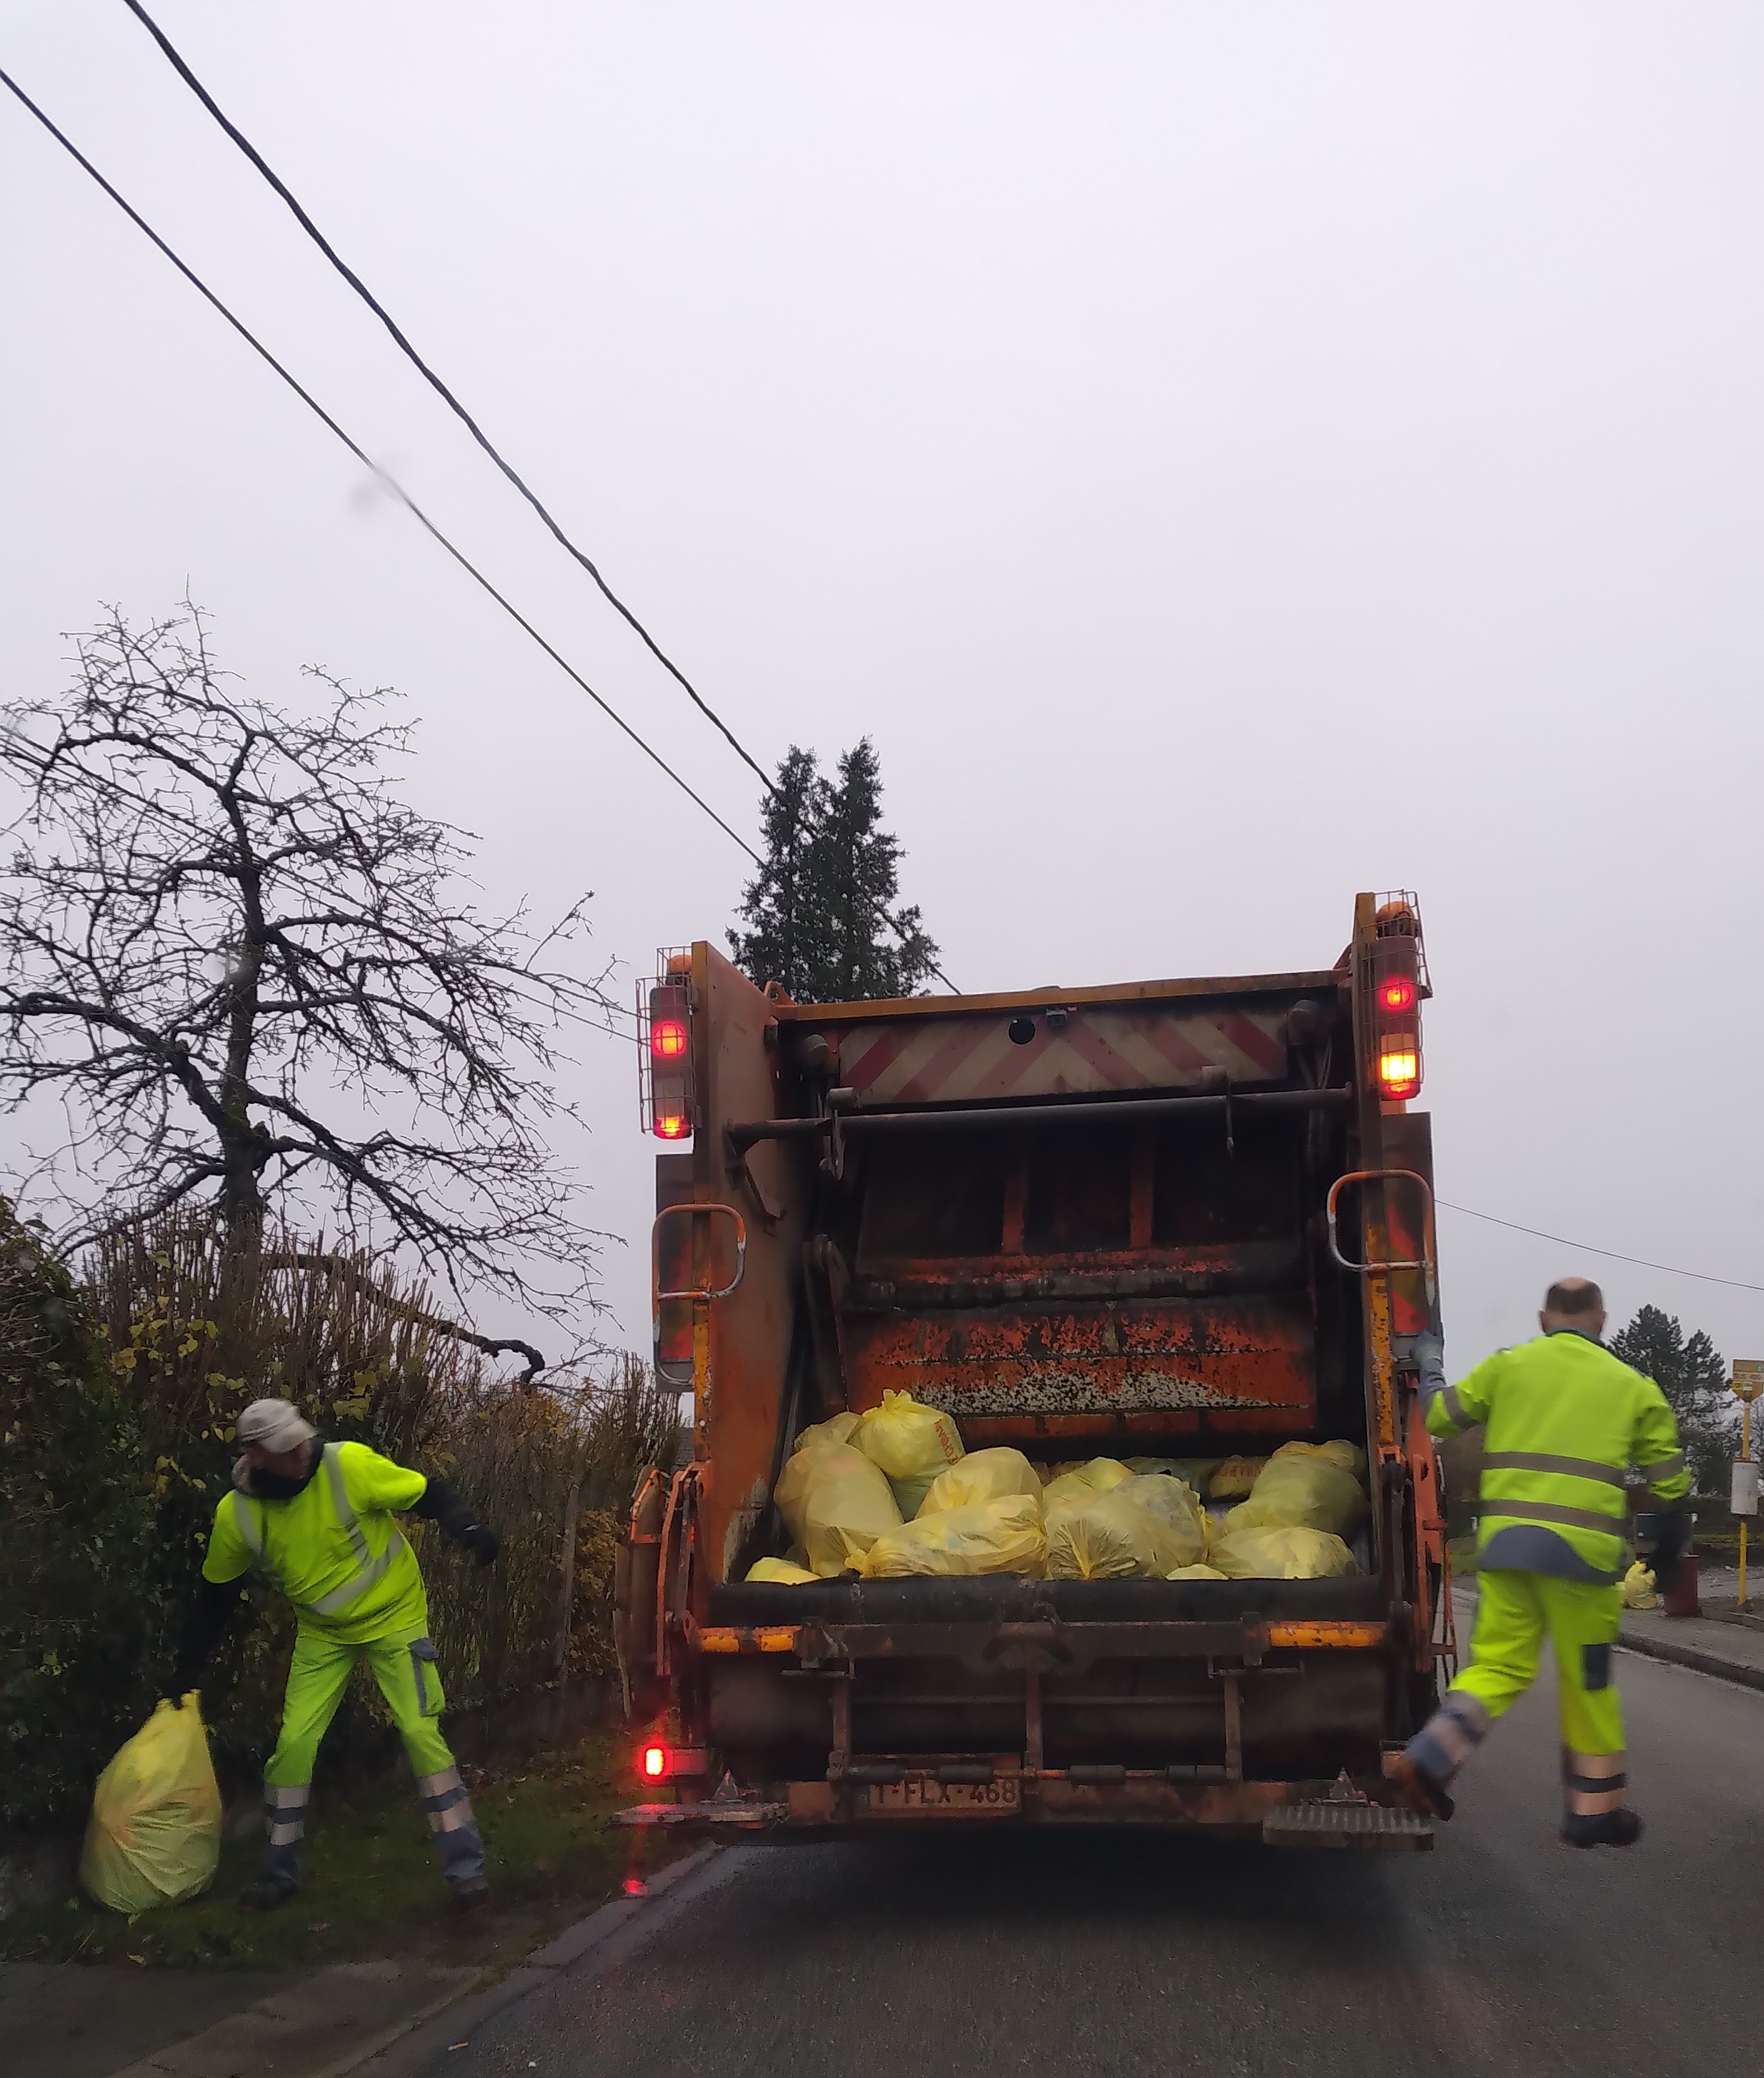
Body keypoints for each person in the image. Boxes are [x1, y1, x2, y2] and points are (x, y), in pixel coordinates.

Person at [171, 1397, 503, 1913]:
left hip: (395, 1617)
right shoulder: (237, 1516)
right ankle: (278, 1874)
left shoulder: (346, 1465)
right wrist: (187, 1670)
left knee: (420, 1733)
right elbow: (215, 1598)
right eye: (287, 1449)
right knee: (294, 1746)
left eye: (300, 1441)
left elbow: (428, 1492)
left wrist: (466, 1528)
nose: (301, 1453)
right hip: (324, 1634)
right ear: (257, 1456)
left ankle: (467, 1872)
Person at [1390, 1278, 1690, 1847]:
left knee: (1499, 1668)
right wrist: (1670, 1548)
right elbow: (1670, 1481)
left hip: (1508, 1552)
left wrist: (1429, 1358)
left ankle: (1429, 1758)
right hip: (1585, 1562)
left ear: (1543, 1318)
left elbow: (1437, 1416)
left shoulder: (1509, 1367)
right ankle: (1594, 1811)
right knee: (1589, 1682)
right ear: (1601, 1318)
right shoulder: (1634, 1387)